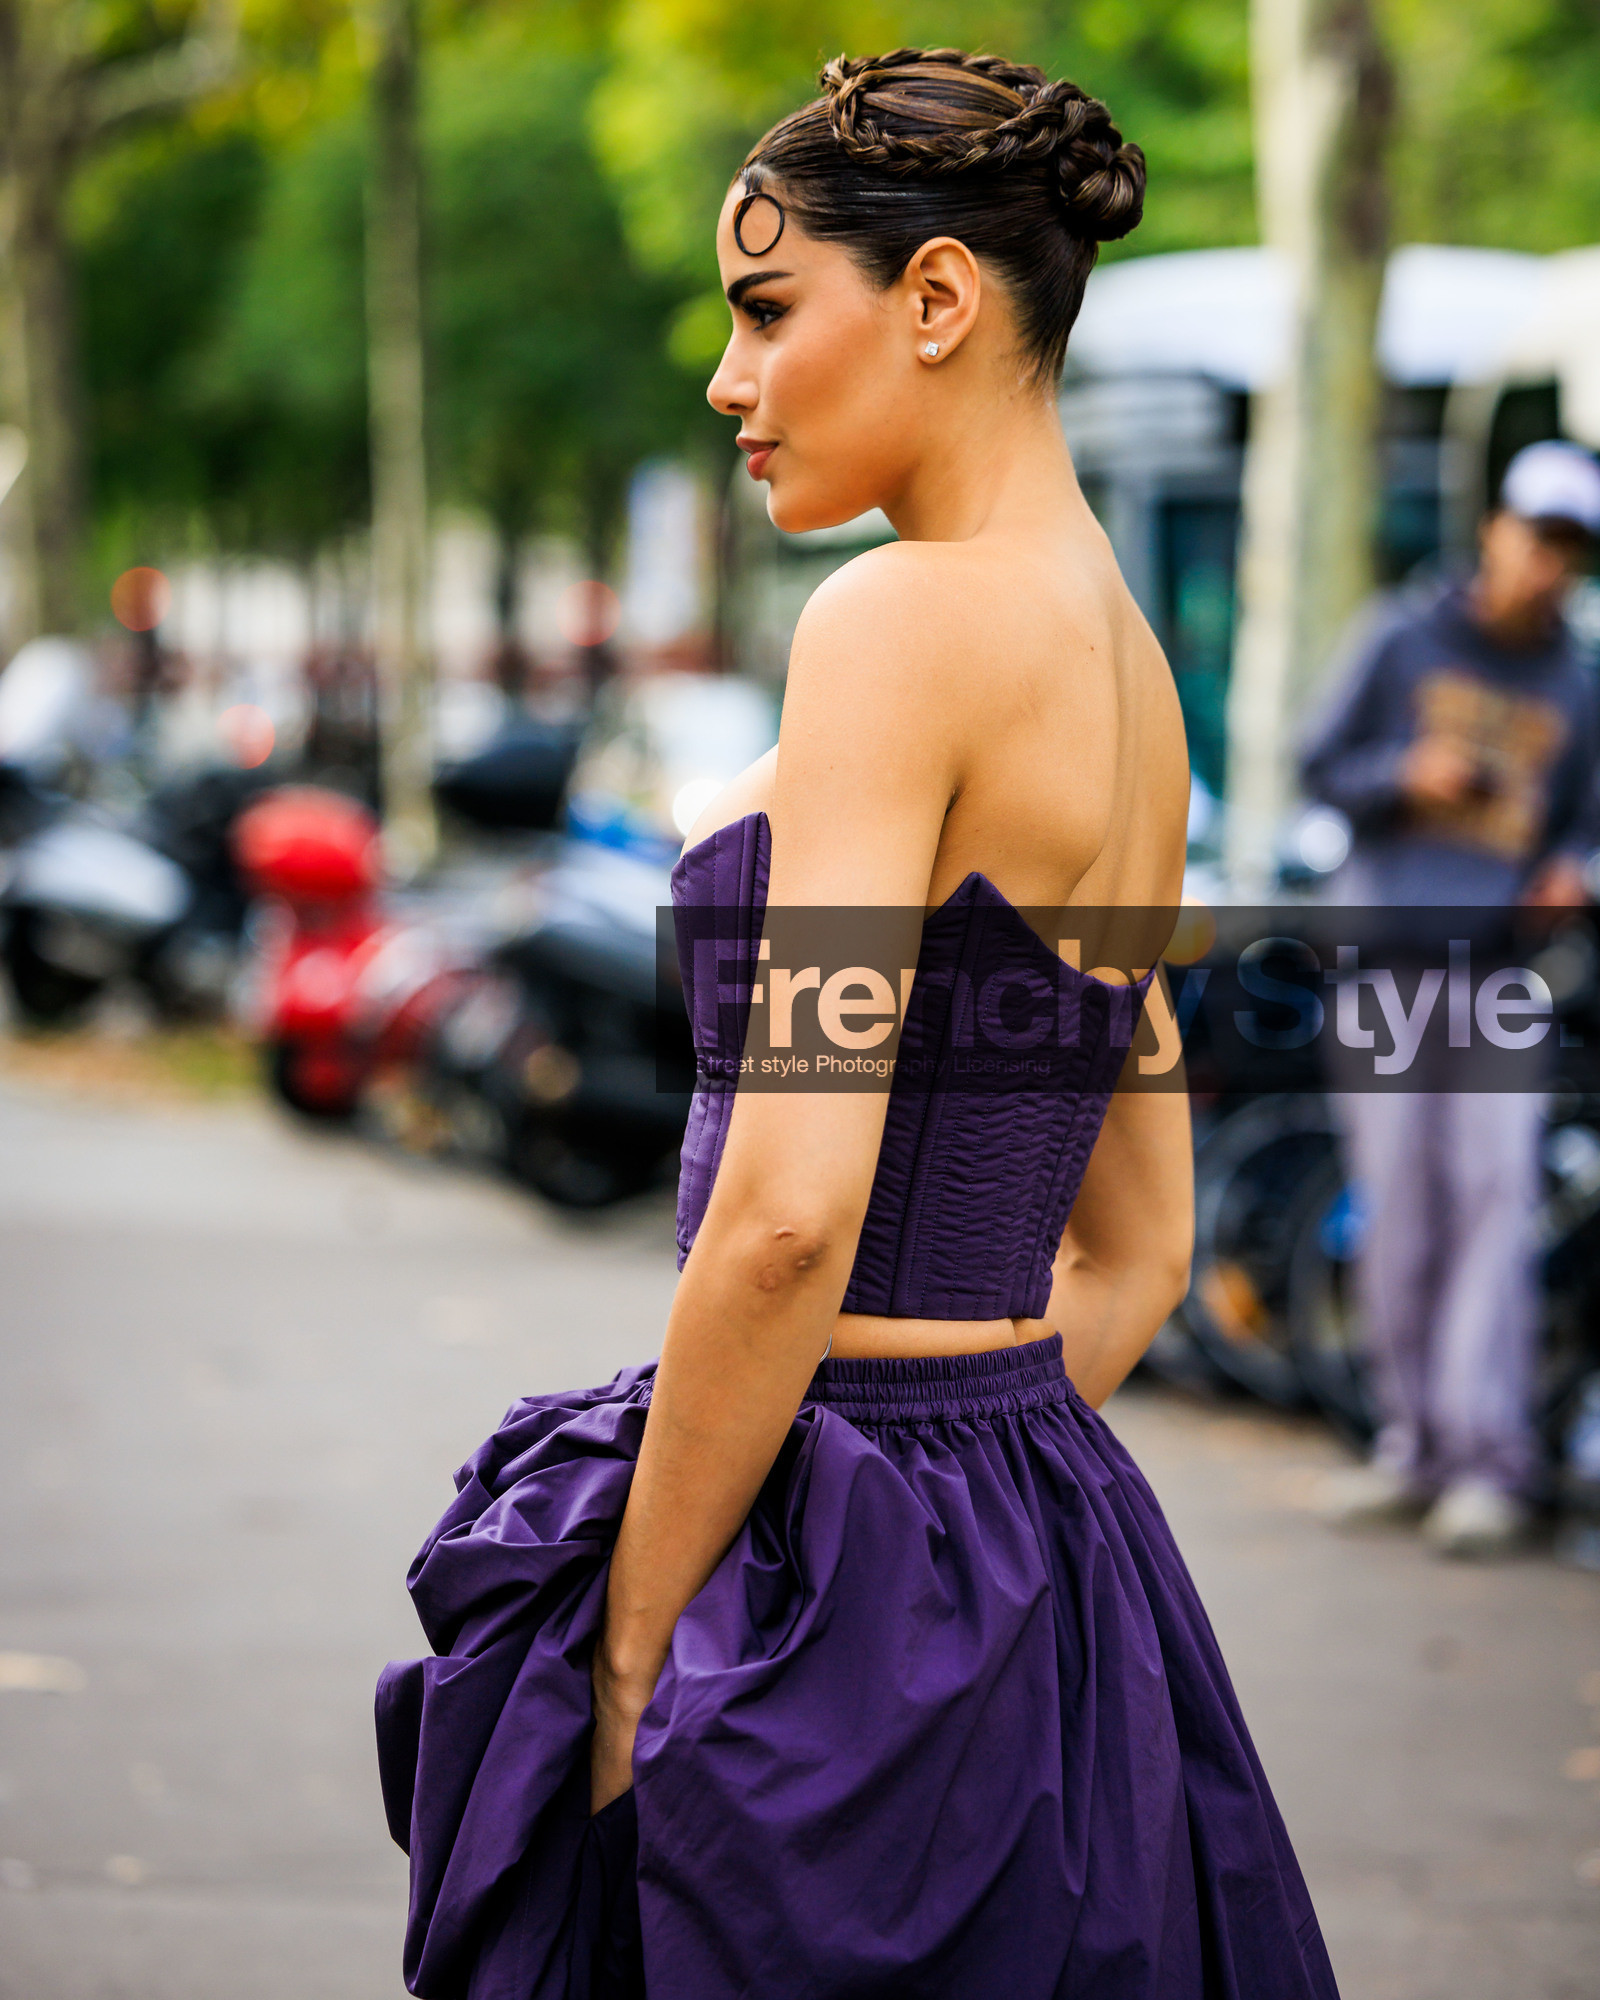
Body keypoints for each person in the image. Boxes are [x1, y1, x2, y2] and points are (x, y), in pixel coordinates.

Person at [375, 50, 1339, 1999]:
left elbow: (788, 1216)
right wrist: (973, 1502)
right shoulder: (1131, 681)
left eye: (760, 308)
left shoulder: (898, 626)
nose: (726, 382)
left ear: (933, 300)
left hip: (831, 1535)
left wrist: (642, 1639)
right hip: (1047, 1545)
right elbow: (1138, 1249)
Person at [1302, 439, 1600, 1558]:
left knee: (1494, 1201)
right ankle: (1412, 1445)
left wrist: (1576, 866)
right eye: (1538, 538)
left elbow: (1585, 818)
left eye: (1571, 549)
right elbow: (1316, 757)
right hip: (1382, 963)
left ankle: (1488, 1460)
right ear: (1494, 529)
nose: (1549, 566)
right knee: (1405, 1212)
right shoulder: (1397, 636)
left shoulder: (1575, 682)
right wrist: (1402, 773)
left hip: (1500, 977)